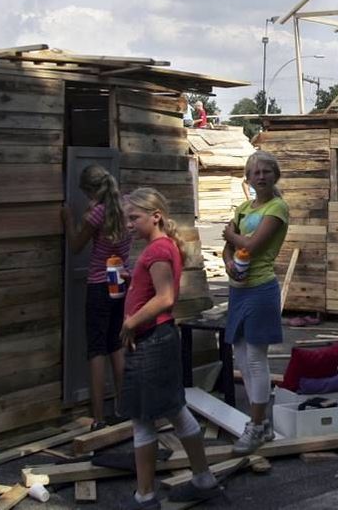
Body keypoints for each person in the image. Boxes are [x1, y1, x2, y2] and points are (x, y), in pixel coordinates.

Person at [119, 188, 218, 507]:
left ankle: (145, 495)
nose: (129, 225)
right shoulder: (158, 248)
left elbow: (165, 298)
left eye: (134, 218)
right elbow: (154, 289)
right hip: (156, 338)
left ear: (155, 216)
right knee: (174, 409)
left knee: (143, 417)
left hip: (152, 340)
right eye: (127, 219)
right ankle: (203, 480)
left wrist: (131, 323)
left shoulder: (158, 250)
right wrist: (131, 277)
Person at [222, 152, 289, 454]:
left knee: (255, 359)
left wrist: (230, 234)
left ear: (275, 175)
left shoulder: (277, 209)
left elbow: (250, 244)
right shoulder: (243, 208)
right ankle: (260, 424)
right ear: (247, 179)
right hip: (238, 288)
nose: (260, 177)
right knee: (240, 357)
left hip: (261, 288)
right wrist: (227, 264)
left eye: (266, 172)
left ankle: (256, 426)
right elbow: (228, 249)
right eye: (255, 173)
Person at [62, 165, 132, 430]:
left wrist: (70, 219)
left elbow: (76, 245)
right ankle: (123, 407)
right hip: (119, 282)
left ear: (90, 191)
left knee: (96, 350)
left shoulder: (97, 215)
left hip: (99, 284)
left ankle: (99, 417)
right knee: (116, 345)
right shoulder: (124, 207)